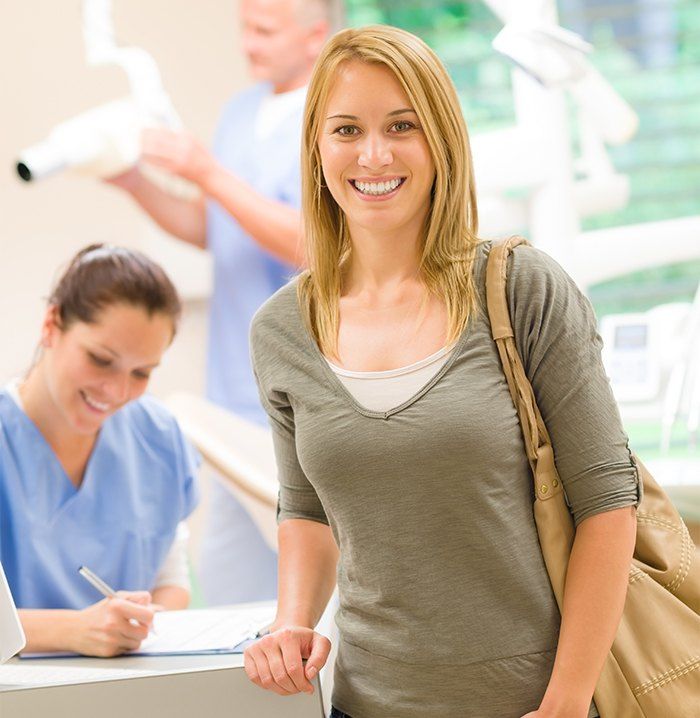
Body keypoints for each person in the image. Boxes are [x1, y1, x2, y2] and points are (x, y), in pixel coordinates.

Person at [243, 25, 641, 718]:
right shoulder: (281, 330)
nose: (373, 154)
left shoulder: (522, 290)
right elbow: (306, 509)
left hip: (534, 705)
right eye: (346, 129)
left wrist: (568, 701)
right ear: (316, 147)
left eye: (403, 125)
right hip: (365, 704)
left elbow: (607, 503)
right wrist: (290, 621)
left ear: (442, 139)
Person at [107, 0, 334, 605]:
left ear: (315, 37)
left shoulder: (332, 116)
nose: (248, 44)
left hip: (308, 396)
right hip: (232, 394)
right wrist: (134, 181)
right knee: (233, 594)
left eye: (264, 30)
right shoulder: (241, 112)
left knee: (318, 596)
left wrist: (206, 172)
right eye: (244, 27)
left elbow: (317, 242)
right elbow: (215, 227)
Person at [0, 245, 199, 657]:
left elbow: (171, 572)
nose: (117, 391)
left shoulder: (157, 437)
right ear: (51, 324)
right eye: (100, 359)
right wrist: (73, 631)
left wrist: (144, 622)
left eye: (141, 372)